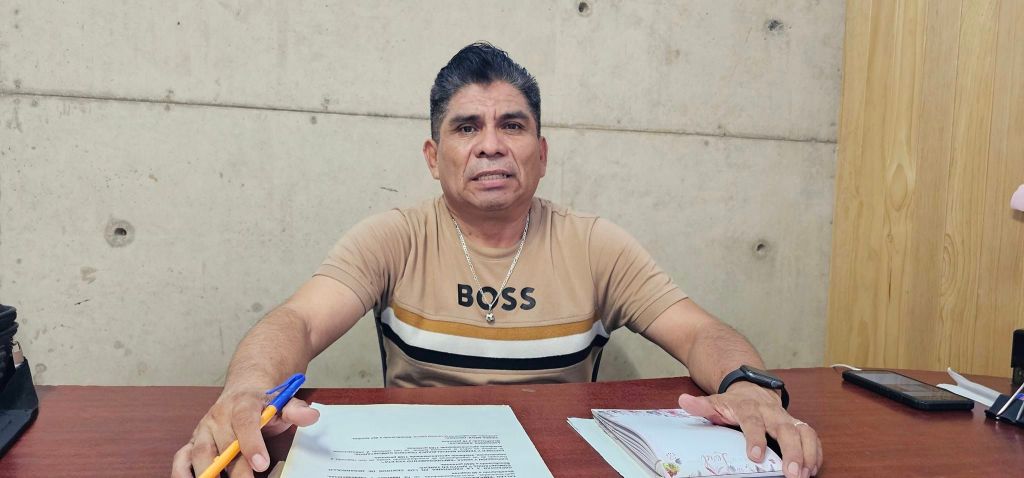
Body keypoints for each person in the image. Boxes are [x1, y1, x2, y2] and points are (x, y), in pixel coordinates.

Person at [171, 42, 822, 478]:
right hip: (421, 465)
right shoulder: (394, 237)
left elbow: (701, 332)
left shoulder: (595, 244)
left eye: (512, 125)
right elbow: (298, 322)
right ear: (434, 158)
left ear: (541, 152)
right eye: (466, 127)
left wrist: (748, 387)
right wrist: (247, 390)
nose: (490, 146)